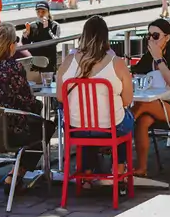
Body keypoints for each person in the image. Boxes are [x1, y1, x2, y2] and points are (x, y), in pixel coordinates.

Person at [0, 22, 55, 189]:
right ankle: (16, 173)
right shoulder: (13, 67)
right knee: (46, 127)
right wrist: (37, 107)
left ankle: (14, 174)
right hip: (8, 134)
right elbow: (29, 102)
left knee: (35, 123)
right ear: (11, 45)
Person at [56, 16, 134, 184]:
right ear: (105, 37)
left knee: (87, 123)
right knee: (126, 118)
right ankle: (119, 165)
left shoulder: (68, 61)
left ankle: (87, 170)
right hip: (110, 126)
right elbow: (127, 100)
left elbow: (60, 97)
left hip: (76, 128)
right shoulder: (117, 63)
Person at [131, 18, 170, 177]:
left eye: (155, 36)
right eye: (148, 36)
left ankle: (117, 133)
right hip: (154, 103)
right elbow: (135, 76)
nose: (151, 39)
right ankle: (141, 168)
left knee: (141, 106)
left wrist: (159, 59)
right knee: (142, 121)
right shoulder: (147, 58)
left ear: (168, 37)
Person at [21, 2, 60, 71]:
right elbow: (25, 44)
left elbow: (55, 42)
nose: (40, 14)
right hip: (36, 60)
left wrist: (47, 29)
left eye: (43, 11)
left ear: (48, 12)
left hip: (50, 59)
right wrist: (25, 35)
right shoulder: (32, 25)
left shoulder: (55, 25)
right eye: (38, 12)